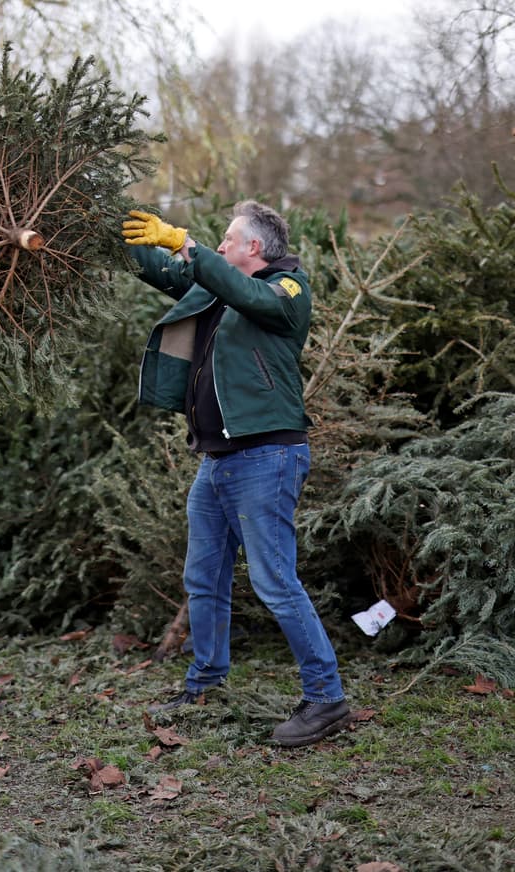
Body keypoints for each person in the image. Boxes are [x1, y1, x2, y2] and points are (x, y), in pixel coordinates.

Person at [121, 202, 350, 748]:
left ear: (255, 248)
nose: (219, 246)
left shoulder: (286, 290)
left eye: (228, 239)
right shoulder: (215, 285)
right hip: (218, 461)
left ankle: (326, 698)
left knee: (274, 581)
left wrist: (186, 243)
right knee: (203, 577)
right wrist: (112, 230)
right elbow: (161, 270)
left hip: (267, 457)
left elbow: (244, 293)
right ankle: (206, 681)